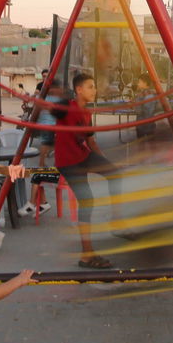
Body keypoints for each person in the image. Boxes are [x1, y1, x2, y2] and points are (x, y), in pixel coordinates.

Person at [55, 72, 122, 269]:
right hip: (68, 162)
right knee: (87, 201)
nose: (95, 90)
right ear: (79, 90)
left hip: (83, 156)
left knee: (115, 174)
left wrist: (104, 162)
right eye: (91, 86)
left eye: (94, 86)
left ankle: (116, 219)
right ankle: (86, 255)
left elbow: (90, 139)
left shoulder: (87, 112)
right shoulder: (67, 108)